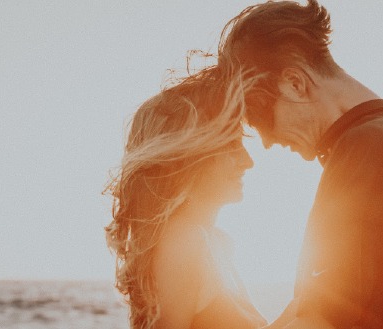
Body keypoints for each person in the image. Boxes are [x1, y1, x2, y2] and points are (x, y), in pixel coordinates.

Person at [218, 1, 383, 328]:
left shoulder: (369, 147)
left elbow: (326, 316)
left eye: (260, 118)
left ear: (295, 83)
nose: (268, 142)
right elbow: (316, 301)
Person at [104, 65, 273, 329]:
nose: (247, 161)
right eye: (230, 146)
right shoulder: (183, 242)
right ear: (188, 158)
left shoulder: (216, 242)